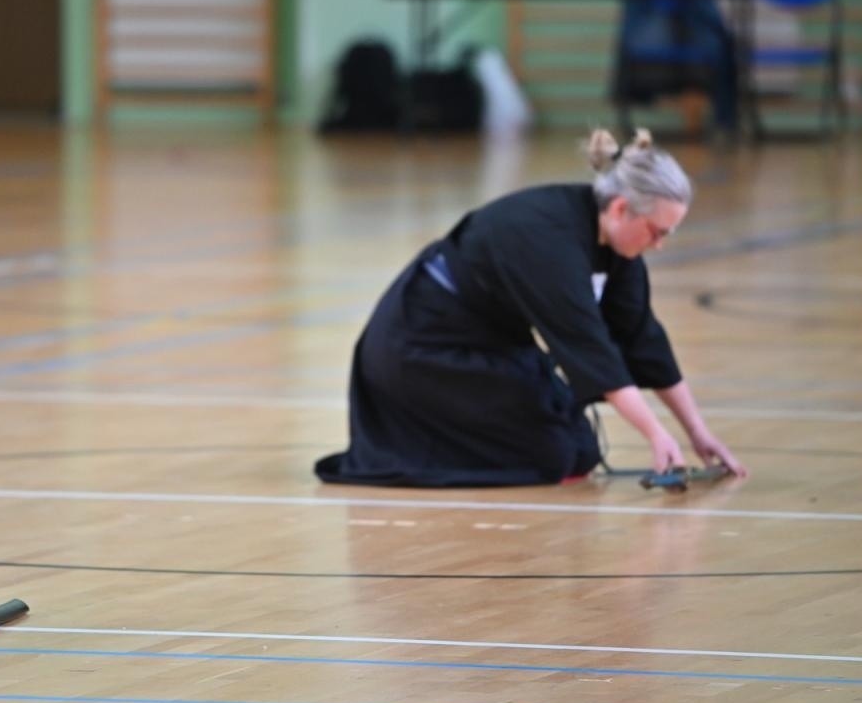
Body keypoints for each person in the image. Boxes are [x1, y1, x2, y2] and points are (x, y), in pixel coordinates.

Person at [316, 128, 746, 488]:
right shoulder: (548, 241)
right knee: (556, 453)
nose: (660, 244)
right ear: (620, 209)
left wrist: (697, 433)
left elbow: (640, 338)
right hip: (421, 347)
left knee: (578, 449)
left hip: (487, 345)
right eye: (657, 232)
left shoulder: (618, 245)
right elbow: (588, 346)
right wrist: (655, 434)